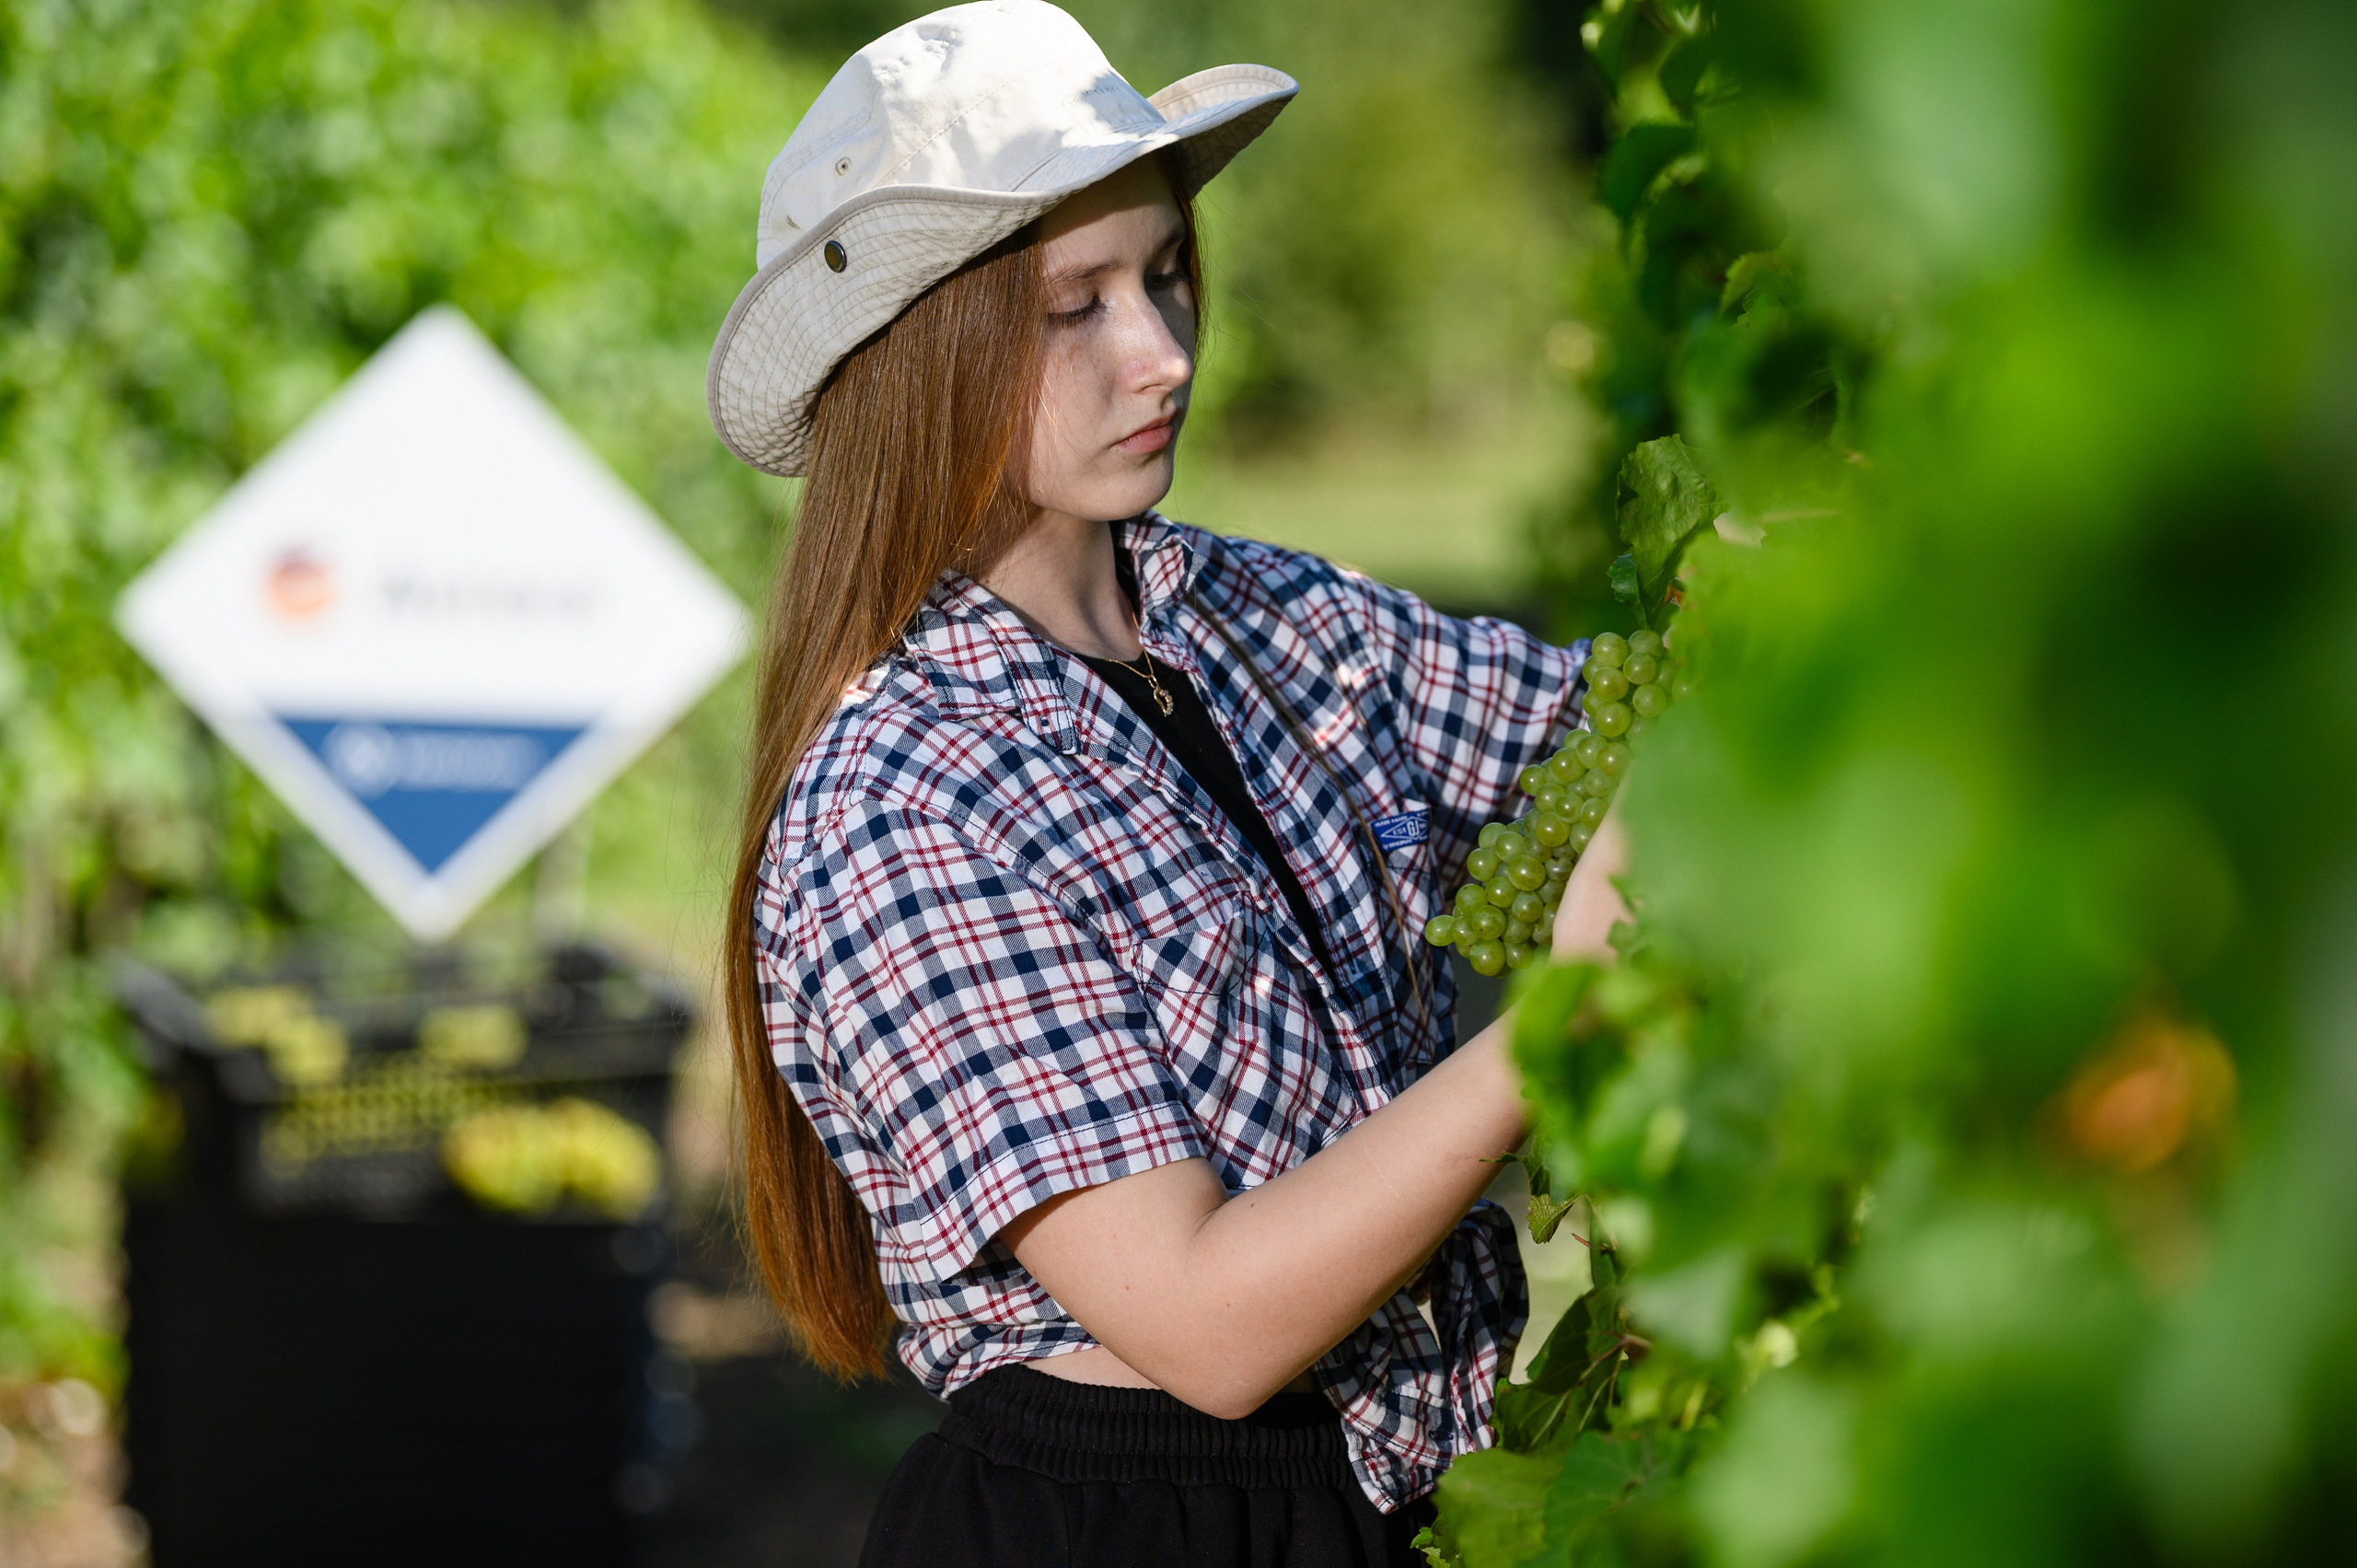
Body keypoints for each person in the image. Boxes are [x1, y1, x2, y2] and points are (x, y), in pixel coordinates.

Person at [706, 5, 1630, 1563]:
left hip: (1401, 1491)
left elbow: (1589, 734)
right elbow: (1205, 1321)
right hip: (1137, 1524)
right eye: (1075, 307)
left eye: (1164, 275)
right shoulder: (899, 799)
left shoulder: (1257, 614)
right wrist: (1561, 1031)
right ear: (923, 353)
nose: (1163, 352)